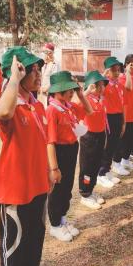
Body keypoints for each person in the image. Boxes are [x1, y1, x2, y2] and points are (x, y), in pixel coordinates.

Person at [0, 46, 48, 266]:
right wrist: (14, 77)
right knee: (13, 245)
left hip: (38, 186)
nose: (38, 74)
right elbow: (4, 112)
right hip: (15, 190)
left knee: (35, 239)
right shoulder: (6, 106)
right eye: (32, 70)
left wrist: (49, 171)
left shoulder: (36, 106)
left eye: (38, 69)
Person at [46, 71, 92, 242]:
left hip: (72, 148)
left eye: (73, 89)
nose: (72, 92)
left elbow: (88, 110)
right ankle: (55, 225)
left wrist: (81, 93)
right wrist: (54, 168)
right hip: (59, 151)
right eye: (69, 89)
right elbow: (49, 141)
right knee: (57, 189)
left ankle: (62, 218)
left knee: (67, 188)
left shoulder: (68, 106)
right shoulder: (52, 110)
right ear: (57, 92)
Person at [79, 70, 109, 209]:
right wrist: (86, 92)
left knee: (96, 164)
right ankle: (84, 193)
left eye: (103, 85)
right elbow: (76, 105)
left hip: (100, 136)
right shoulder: (87, 99)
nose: (103, 88)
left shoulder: (100, 99)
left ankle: (91, 190)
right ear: (93, 86)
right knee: (87, 166)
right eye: (100, 85)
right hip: (89, 137)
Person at [98, 57, 126, 187]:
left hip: (118, 117)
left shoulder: (119, 84)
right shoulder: (104, 84)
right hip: (108, 117)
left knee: (114, 145)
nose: (116, 72)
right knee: (107, 146)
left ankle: (107, 170)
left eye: (118, 69)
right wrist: (103, 76)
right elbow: (98, 93)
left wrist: (124, 122)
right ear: (107, 71)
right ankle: (101, 173)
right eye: (113, 70)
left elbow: (122, 103)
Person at [112, 54, 133, 173]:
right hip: (126, 114)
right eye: (132, 64)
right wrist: (128, 72)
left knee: (131, 139)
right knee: (122, 141)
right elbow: (128, 88)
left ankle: (125, 160)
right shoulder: (123, 77)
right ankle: (117, 163)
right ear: (126, 65)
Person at [38, 43, 58, 107]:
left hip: (50, 89)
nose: (46, 54)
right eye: (45, 52)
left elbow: (54, 78)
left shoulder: (55, 63)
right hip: (43, 89)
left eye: (48, 52)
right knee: (43, 106)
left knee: (48, 106)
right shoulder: (44, 63)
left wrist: (47, 88)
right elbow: (42, 75)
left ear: (52, 52)